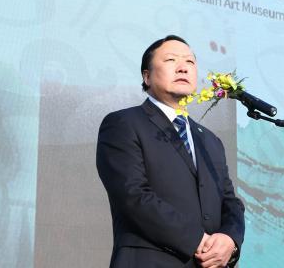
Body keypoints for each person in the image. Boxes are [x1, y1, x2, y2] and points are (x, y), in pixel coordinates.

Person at [96, 35, 245, 267]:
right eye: (171, 60)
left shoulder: (210, 140)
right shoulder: (123, 123)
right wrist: (198, 240)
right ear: (146, 76)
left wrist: (230, 240)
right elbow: (132, 195)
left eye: (190, 62)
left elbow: (229, 201)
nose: (183, 67)